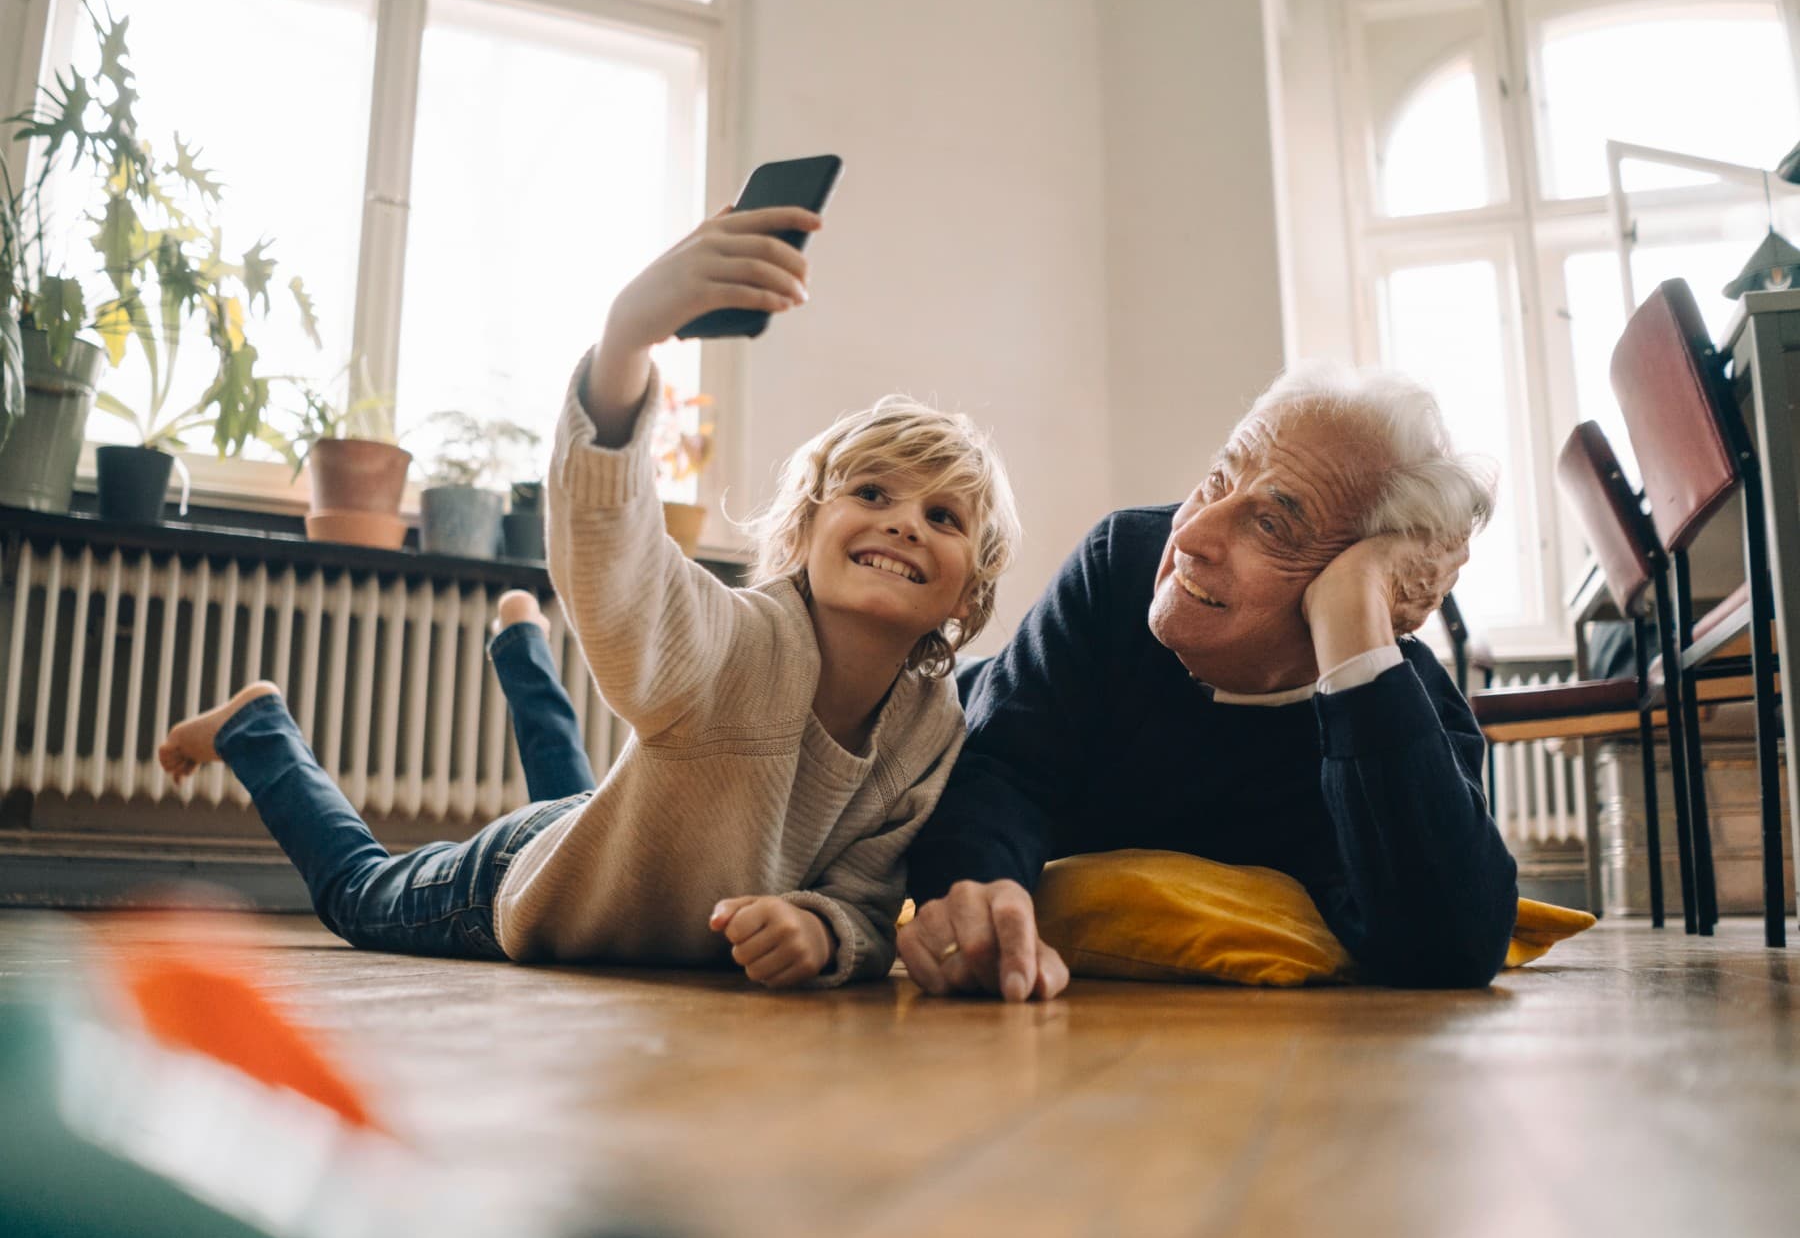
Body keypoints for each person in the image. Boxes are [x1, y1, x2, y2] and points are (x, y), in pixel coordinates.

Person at [158, 204, 1021, 989]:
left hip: (618, 840)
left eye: (941, 516)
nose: (905, 523)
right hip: (514, 889)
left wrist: (823, 931)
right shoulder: (731, 639)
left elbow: (868, 902)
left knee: (587, 797)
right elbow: (621, 569)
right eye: (871, 495)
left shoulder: (930, 727)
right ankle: (258, 730)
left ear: (968, 593)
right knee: (355, 892)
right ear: (802, 528)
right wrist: (624, 344)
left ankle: (519, 645)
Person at [897, 363, 1519, 1001]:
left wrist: (1356, 621)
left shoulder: (1387, 705)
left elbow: (1452, 944)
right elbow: (1001, 767)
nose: (1191, 533)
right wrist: (977, 884)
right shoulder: (1122, 562)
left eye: (1272, 524)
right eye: (1217, 479)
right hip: (937, 710)